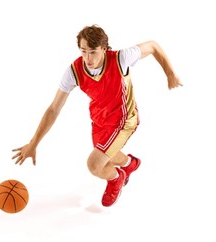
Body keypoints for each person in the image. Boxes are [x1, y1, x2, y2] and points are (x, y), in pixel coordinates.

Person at [11, 25, 182, 207]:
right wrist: (34, 143)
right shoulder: (74, 71)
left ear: (104, 49)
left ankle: (116, 178)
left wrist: (170, 73)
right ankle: (130, 163)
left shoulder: (121, 58)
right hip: (99, 119)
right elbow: (54, 109)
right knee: (106, 154)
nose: (87, 58)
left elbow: (153, 46)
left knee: (94, 164)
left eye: (92, 52)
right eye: (83, 51)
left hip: (124, 120)